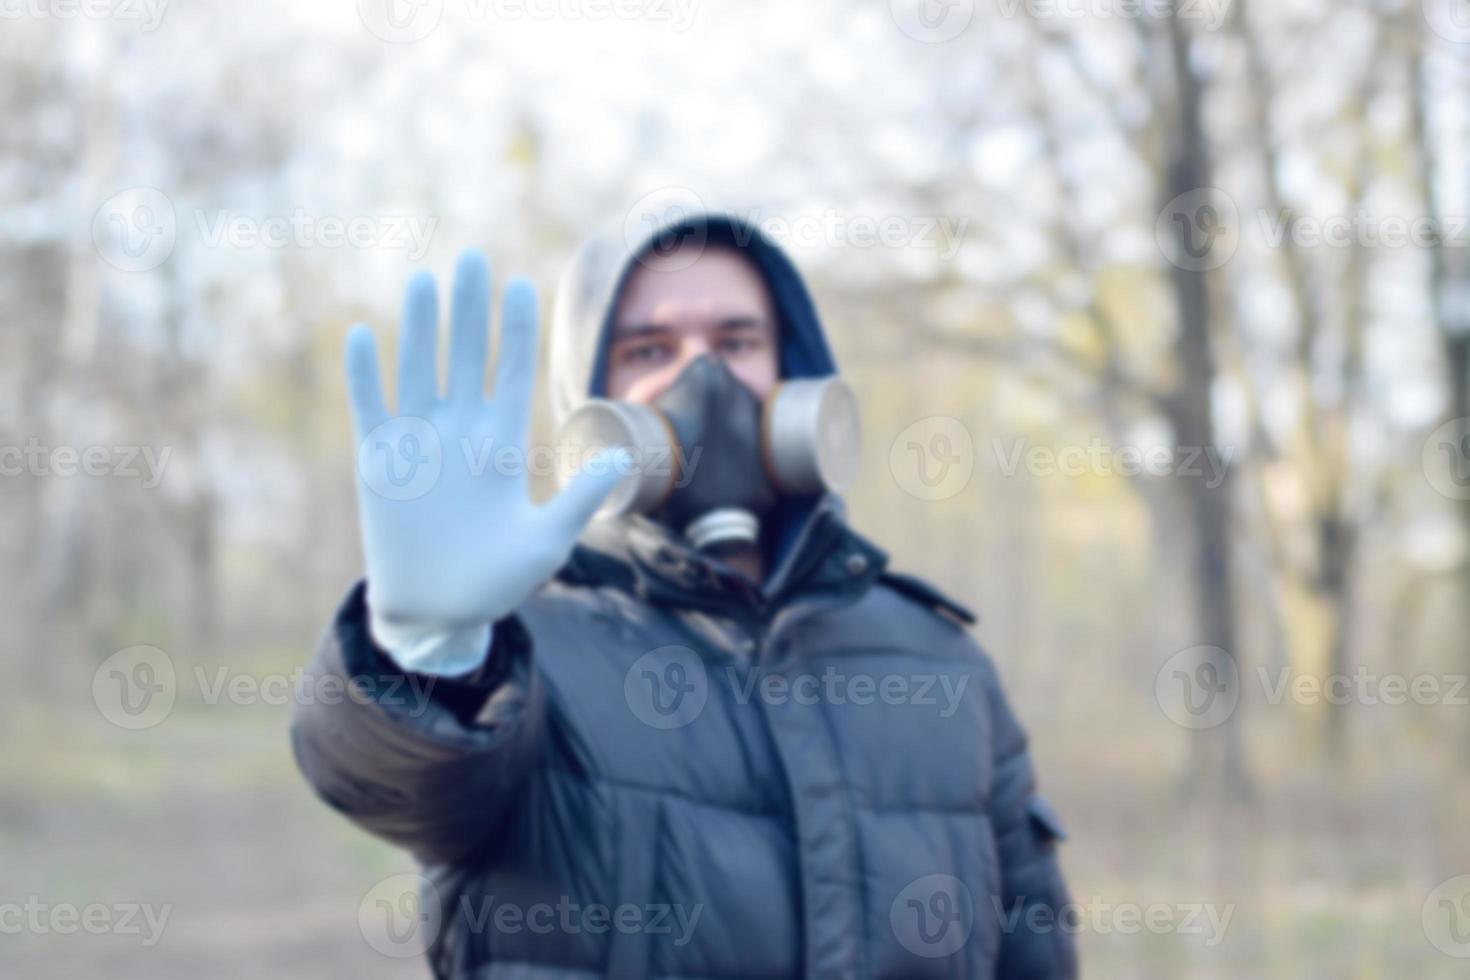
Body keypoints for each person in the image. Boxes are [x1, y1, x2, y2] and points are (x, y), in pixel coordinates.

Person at [291, 212, 1078, 979]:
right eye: (649, 349)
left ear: (794, 373)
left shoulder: (940, 662)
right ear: (591, 399)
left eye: (737, 341)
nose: (703, 379)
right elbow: (386, 784)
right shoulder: (516, 656)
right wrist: (426, 653)